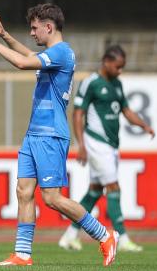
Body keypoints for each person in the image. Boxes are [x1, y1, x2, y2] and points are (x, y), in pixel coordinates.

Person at [0, 5, 118, 267]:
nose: (32, 32)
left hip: (51, 134)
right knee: (24, 191)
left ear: (49, 27)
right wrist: (5, 36)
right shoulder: (54, 54)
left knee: (52, 198)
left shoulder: (62, 53)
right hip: (34, 134)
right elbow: (29, 54)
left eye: (34, 27)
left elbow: (22, 62)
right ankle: (22, 254)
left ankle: (105, 235)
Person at [59, 45, 154, 253]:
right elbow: (77, 114)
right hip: (96, 142)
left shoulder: (117, 84)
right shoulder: (91, 83)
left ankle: (70, 235)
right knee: (114, 188)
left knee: (94, 191)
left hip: (111, 144)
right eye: (118, 67)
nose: (120, 71)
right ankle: (123, 238)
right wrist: (81, 145)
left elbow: (126, 110)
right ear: (106, 62)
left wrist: (144, 125)